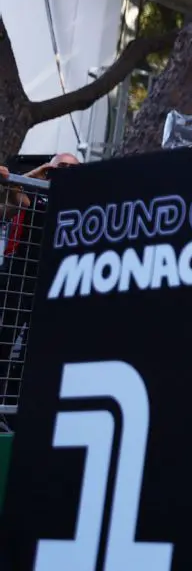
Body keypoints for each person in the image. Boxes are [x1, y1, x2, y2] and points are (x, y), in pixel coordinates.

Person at [0, 153, 79, 421]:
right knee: (5, 338)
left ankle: (13, 408)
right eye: (61, 167)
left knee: (33, 351)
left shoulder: (82, 202)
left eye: (73, 168)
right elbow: (12, 189)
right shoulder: (39, 193)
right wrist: (40, 173)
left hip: (53, 282)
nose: (67, 172)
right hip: (19, 277)